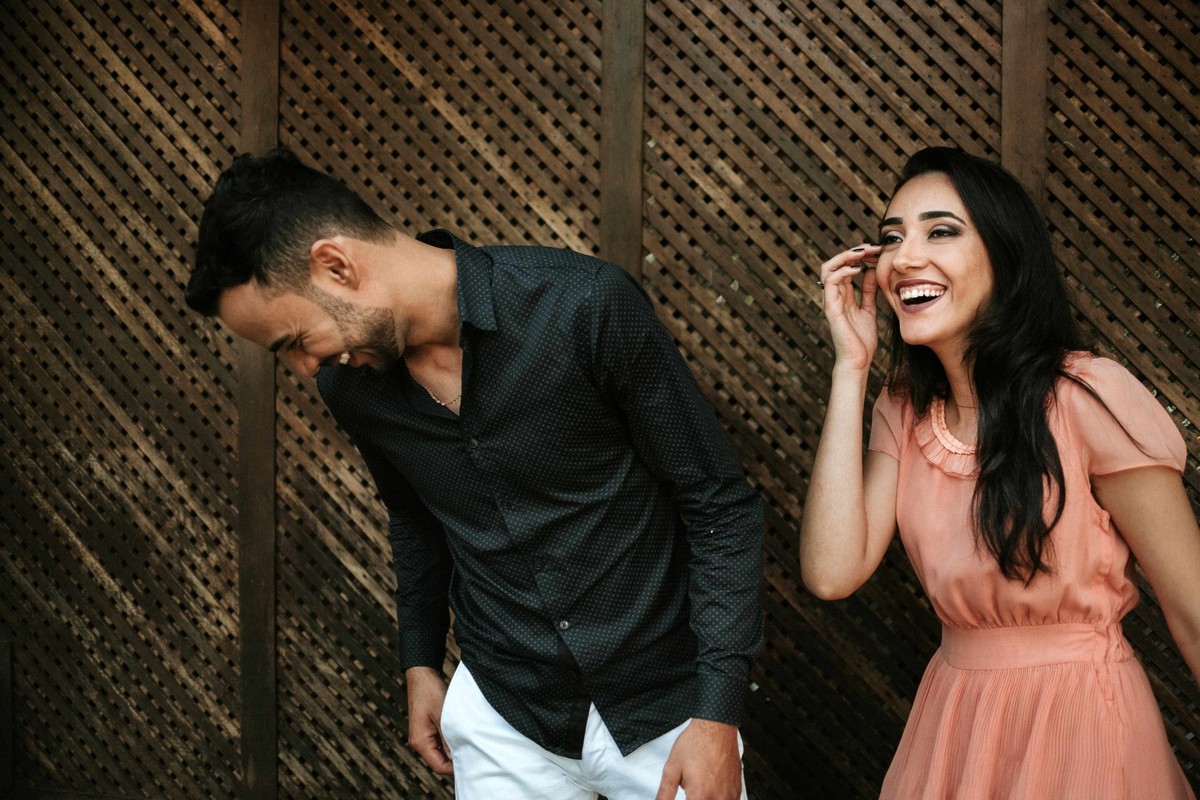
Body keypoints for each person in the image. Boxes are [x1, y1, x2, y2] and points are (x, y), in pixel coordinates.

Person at [185, 147, 763, 800]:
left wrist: (716, 715)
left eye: (294, 340)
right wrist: (420, 662)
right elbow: (414, 516)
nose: (305, 368)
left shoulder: (584, 306)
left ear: (336, 266)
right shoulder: (352, 387)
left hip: (666, 708)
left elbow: (719, 504)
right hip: (502, 713)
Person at [800, 146, 1200, 798]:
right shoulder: (901, 407)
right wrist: (852, 367)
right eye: (892, 238)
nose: (905, 257)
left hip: (1082, 731)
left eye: (941, 231)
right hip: (955, 729)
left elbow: (1193, 610)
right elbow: (830, 571)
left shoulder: (1088, 397)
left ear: (1005, 256)